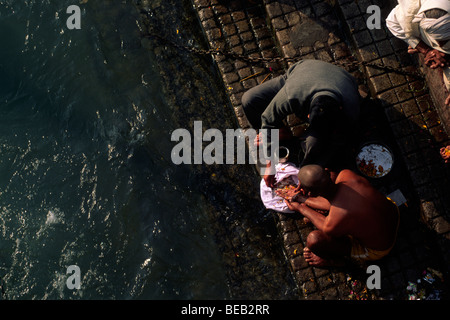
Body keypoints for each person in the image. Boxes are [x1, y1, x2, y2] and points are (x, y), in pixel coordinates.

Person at [241, 59, 362, 188]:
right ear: (308, 115)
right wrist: (269, 165)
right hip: (298, 76)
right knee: (249, 100)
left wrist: (309, 172)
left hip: (338, 81)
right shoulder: (292, 94)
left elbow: (338, 142)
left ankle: (296, 145)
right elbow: (267, 119)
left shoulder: (351, 109)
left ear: (340, 110)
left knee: (312, 144)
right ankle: (281, 132)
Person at [284, 165, 400, 267]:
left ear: (312, 193)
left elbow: (327, 225)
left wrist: (300, 207)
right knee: (335, 177)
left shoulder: (334, 221)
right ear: (327, 170)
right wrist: (301, 199)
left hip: (381, 247)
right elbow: (336, 201)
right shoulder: (346, 174)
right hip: (394, 211)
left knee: (314, 240)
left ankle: (335, 261)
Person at [386, 0, 450, 106]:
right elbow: (392, 22)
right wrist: (426, 50)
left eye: (445, 40)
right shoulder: (412, 9)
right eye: (439, 42)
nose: (440, 46)